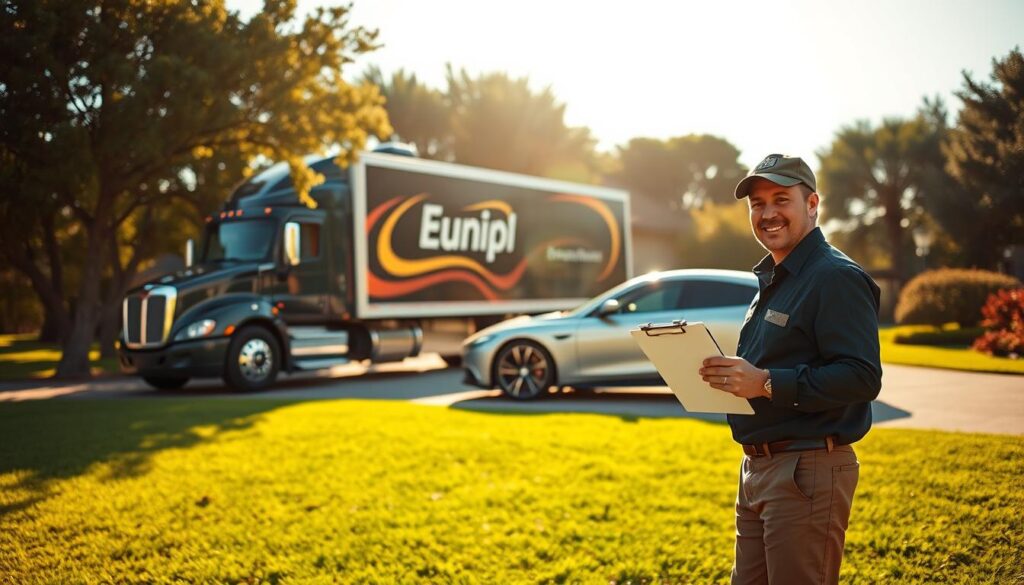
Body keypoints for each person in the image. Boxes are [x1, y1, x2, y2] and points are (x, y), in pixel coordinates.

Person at [698, 154, 882, 585]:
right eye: (757, 204)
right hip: (757, 468)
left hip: (807, 469)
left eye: (781, 199)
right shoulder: (775, 278)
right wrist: (728, 378)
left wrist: (762, 382)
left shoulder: (834, 277)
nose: (767, 213)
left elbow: (861, 376)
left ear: (813, 203)